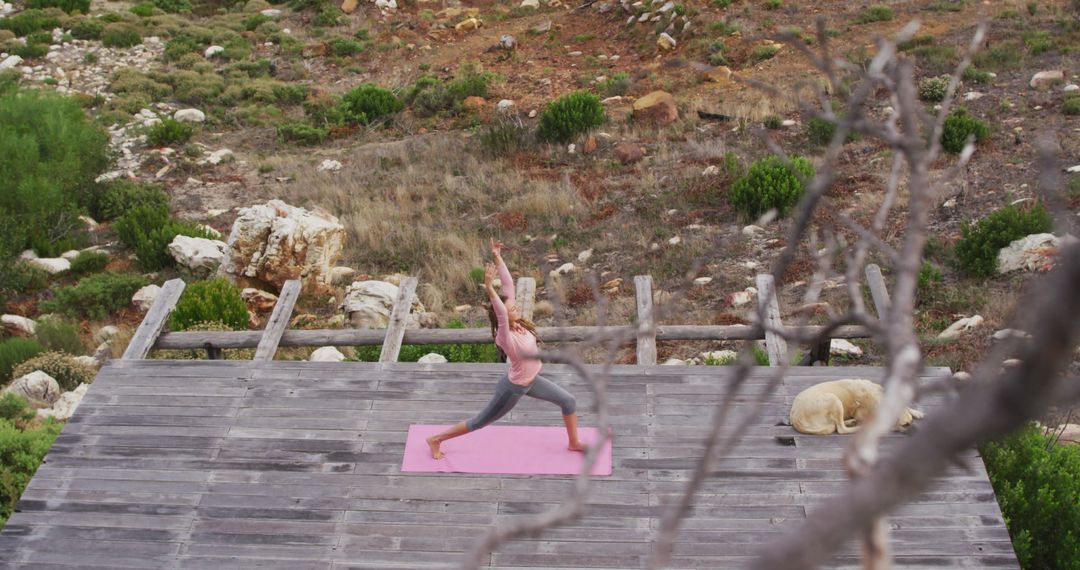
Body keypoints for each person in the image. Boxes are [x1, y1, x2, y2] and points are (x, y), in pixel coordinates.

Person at [426, 238, 585, 460]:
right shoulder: (505, 336)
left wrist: (498, 257)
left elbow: (509, 287)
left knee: (568, 401)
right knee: (480, 421)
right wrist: (490, 289)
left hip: (532, 382)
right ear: (504, 315)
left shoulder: (519, 325)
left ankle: (574, 443)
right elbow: (501, 312)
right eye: (512, 308)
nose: (516, 306)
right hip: (513, 389)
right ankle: (435, 439)